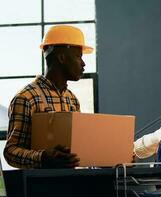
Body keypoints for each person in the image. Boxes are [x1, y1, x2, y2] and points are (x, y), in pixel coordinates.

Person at [3, 25, 93, 169]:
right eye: (78, 56)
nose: (83, 63)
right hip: (40, 187)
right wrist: (42, 158)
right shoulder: (26, 98)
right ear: (62, 57)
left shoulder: (72, 99)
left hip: (72, 184)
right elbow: (11, 152)